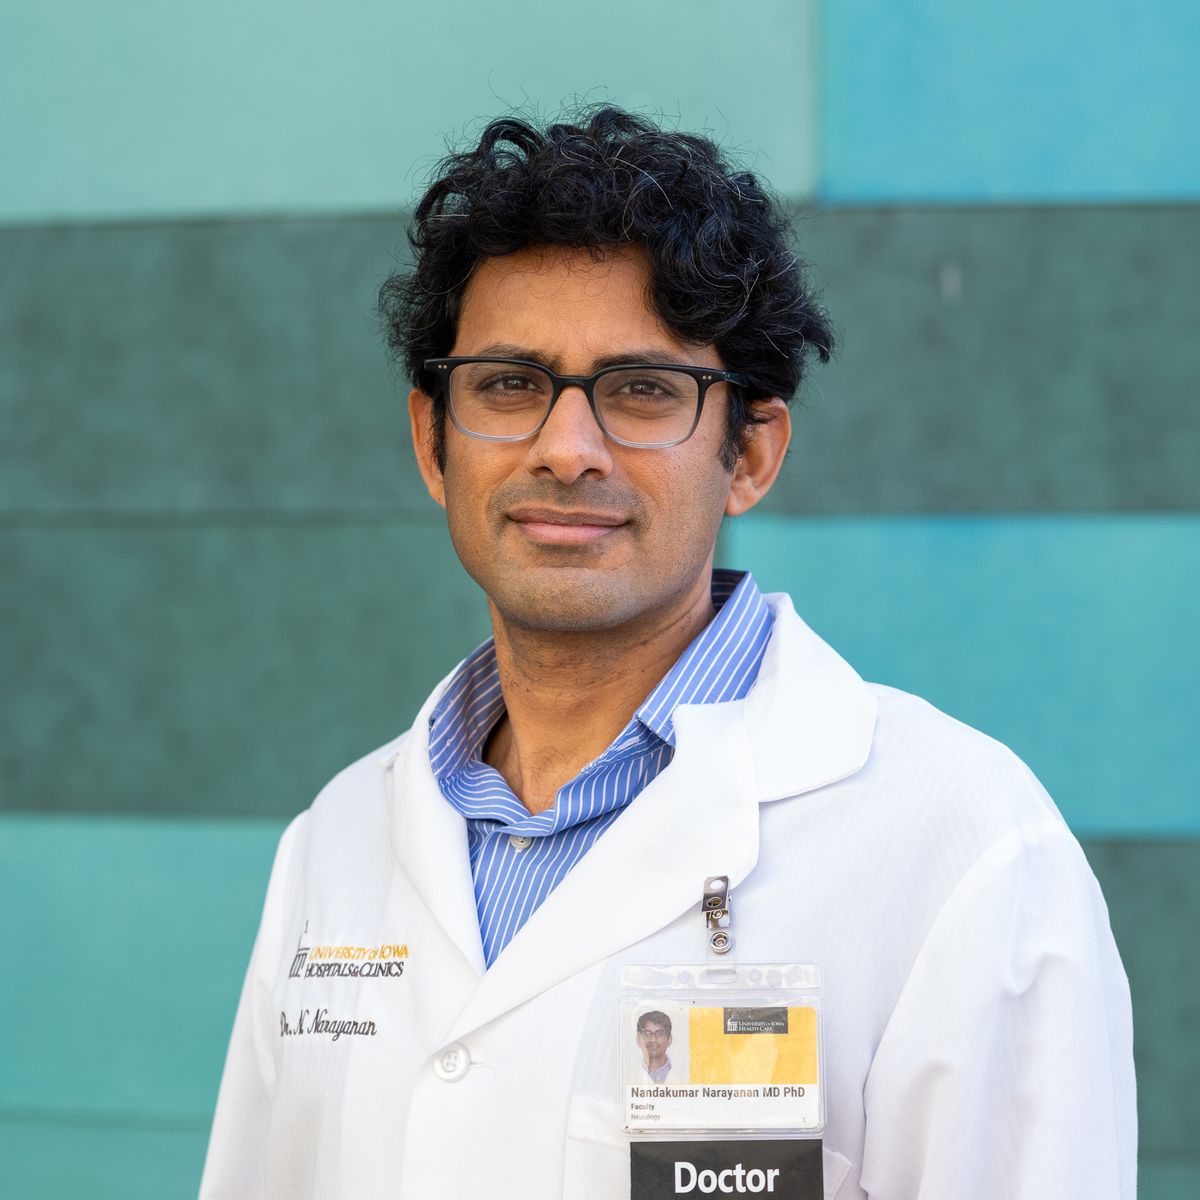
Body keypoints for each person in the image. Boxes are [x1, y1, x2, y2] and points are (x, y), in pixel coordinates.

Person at [200, 106, 1135, 1200]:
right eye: (508, 384)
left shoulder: (963, 848)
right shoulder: (339, 843)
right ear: (431, 441)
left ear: (750, 453)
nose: (566, 447)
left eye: (643, 390)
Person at [636, 1011, 674, 1083]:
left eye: (659, 1033)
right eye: (647, 1033)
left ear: (669, 1039)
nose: (653, 1039)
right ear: (638, 1039)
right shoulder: (625, 1072)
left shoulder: (686, 1073)